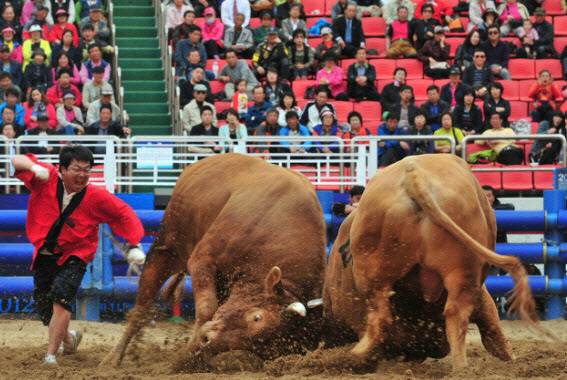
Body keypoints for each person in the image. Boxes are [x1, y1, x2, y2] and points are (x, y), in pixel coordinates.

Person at [12, 145, 145, 365]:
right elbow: (17, 160)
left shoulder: (96, 196)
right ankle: (68, 338)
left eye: (87, 169)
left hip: (77, 254)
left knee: (61, 299)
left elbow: (124, 213)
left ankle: (51, 355)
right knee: (45, 308)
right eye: (76, 169)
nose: (82, 174)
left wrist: (134, 245)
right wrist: (34, 167)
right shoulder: (45, 178)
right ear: (62, 169)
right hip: (45, 253)